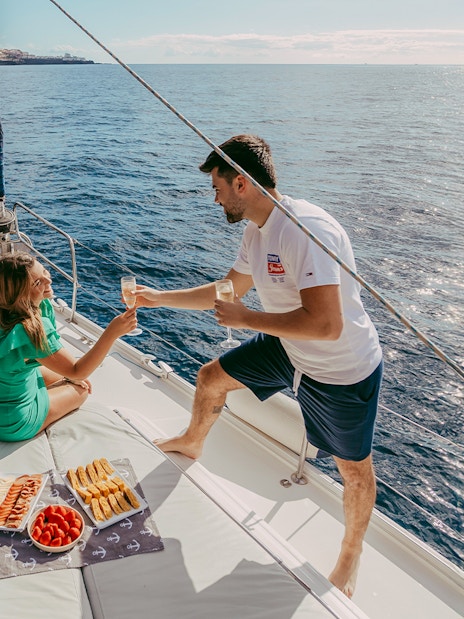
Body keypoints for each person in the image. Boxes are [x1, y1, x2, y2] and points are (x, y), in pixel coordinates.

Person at [135, 134, 383, 598]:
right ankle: (192, 442)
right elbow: (225, 290)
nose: (214, 197)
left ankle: (351, 554)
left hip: (339, 371)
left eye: (217, 186)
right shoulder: (257, 231)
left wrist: (248, 318)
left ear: (242, 183)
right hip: (289, 349)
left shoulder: (305, 230)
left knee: (353, 471)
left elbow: (328, 325)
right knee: (212, 378)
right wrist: (155, 298)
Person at [0, 251, 137, 442]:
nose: (49, 281)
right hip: (11, 422)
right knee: (81, 390)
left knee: (64, 376)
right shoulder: (30, 329)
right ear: (19, 294)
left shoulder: (7, 309)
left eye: (44, 272)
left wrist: (68, 376)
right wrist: (112, 333)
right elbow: (78, 371)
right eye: (37, 283)